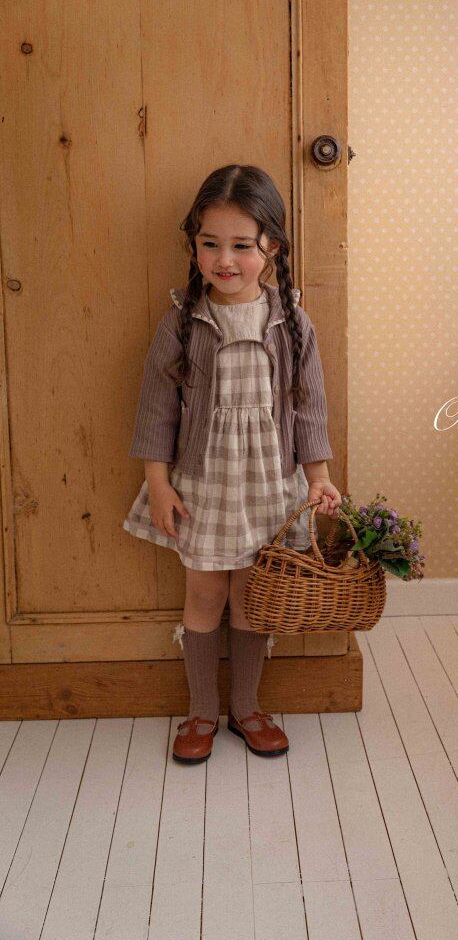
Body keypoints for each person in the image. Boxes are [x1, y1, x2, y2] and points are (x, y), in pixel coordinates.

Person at [122, 164, 342, 765]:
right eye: (210, 243)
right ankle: (200, 711)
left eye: (242, 245)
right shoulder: (184, 321)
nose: (224, 260)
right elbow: (155, 407)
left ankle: (246, 707)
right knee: (204, 593)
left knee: (252, 596)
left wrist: (319, 477)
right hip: (205, 485)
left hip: (269, 483)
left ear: (272, 247)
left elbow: (310, 406)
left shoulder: (291, 323)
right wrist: (157, 482)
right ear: (193, 244)